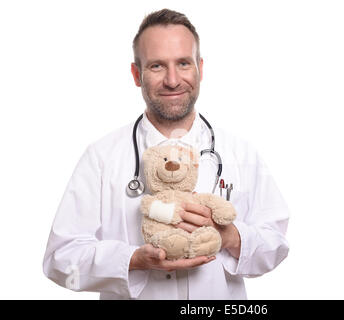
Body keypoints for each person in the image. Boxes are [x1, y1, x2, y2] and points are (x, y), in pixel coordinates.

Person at [43, 8, 289, 300]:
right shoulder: (101, 157)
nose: (173, 80)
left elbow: (276, 242)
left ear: (200, 68)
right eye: (157, 66)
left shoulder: (240, 152)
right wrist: (133, 260)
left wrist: (230, 238)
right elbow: (60, 259)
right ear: (137, 74)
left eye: (183, 64)